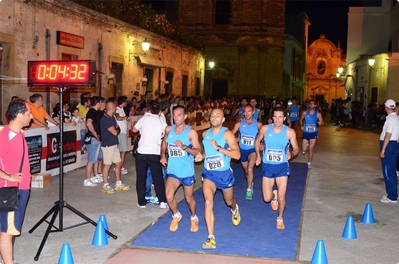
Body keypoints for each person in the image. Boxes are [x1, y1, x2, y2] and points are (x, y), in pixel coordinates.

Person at [195, 108, 241, 250]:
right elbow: (205, 152)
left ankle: (235, 208)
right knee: (208, 202)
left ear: (222, 120)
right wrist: (201, 156)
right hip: (209, 174)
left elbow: (237, 155)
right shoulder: (205, 134)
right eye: (212, 115)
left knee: (229, 201)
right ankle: (211, 238)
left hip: (224, 174)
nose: (214, 117)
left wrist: (219, 148)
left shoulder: (227, 134)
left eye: (218, 115)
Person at [255, 107, 299, 230]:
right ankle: (273, 196)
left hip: (282, 167)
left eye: (280, 117)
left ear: (284, 118)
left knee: (282, 197)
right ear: (272, 117)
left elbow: (296, 149)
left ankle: (280, 218)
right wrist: (258, 155)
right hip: (268, 166)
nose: (277, 119)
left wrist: (291, 153)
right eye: (275, 116)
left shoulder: (290, 132)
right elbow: (257, 141)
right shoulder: (265, 129)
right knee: (267, 198)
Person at [0, 99, 32, 264]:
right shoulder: (5, 136)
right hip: (11, 190)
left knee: (11, 229)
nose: (31, 116)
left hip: (22, 189)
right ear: (19, 115)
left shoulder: (20, 134)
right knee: (7, 231)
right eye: (28, 113)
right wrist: (9, 176)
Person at [160, 105, 201, 233]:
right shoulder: (168, 129)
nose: (176, 118)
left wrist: (184, 147)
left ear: (185, 116)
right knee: (169, 196)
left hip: (187, 172)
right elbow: (164, 142)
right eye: (174, 115)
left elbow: (197, 151)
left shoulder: (191, 132)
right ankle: (176, 215)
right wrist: (162, 155)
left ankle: (194, 217)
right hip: (173, 171)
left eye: (179, 115)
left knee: (189, 199)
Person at [133, 100, 168, 209]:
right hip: (154, 152)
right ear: (160, 111)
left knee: (141, 177)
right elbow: (166, 134)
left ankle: (141, 202)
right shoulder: (162, 121)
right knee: (158, 178)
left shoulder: (144, 118)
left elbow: (134, 129)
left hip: (141, 152)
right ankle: (162, 201)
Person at [231, 104, 262, 200]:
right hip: (242, 150)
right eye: (245, 111)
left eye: (249, 111)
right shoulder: (239, 124)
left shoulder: (258, 124)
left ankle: (249, 189)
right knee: (246, 171)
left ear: (253, 112)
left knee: (250, 168)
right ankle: (250, 181)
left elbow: (264, 134)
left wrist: (262, 143)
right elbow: (230, 135)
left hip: (252, 150)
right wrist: (234, 139)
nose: (247, 113)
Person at [100, 101, 131, 194]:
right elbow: (115, 132)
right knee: (107, 165)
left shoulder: (112, 117)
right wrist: (116, 129)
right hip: (107, 145)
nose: (116, 109)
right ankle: (105, 185)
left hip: (114, 144)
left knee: (118, 163)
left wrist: (116, 129)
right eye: (115, 108)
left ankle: (118, 183)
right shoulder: (105, 119)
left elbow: (117, 128)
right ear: (111, 108)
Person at [379, 99, 399, 203]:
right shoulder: (396, 118)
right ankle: (394, 193)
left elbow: (388, 134)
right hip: (394, 144)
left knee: (388, 171)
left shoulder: (390, 119)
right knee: (392, 170)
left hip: (389, 144)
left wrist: (383, 150)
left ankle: (392, 196)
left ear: (386, 108)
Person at [83, 96, 104, 187]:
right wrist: (95, 134)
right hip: (93, 138)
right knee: (91, 159)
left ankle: (90, 177)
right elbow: (88, 123)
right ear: (98, 103)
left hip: (94, 138)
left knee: (93, 158)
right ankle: (87, 179)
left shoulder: (95, 112)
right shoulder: (92, 112)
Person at [299, 99, 324, 169]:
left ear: (315, 105)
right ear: (309, 105)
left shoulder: (318, 113)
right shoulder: (305, 112)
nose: (312, 105)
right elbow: (301, 119)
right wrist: (301, 125)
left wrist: (320, 123)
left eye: (313, 104)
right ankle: (306, 146)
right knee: (304, 150)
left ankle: (309, 163)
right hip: (306, 132)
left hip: (314, 132)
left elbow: (322, 122)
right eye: (310, 103)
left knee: (311, 148)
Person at [115, 96, 129, 175]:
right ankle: (120, 167)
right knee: (123, 150)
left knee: (122, 150)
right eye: (125, 101)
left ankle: (120, 166)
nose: (126, 103)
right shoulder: (118, 109)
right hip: (121, 132)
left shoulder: (122, 109)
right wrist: (125, 117)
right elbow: (118, 117)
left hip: (123, 132)